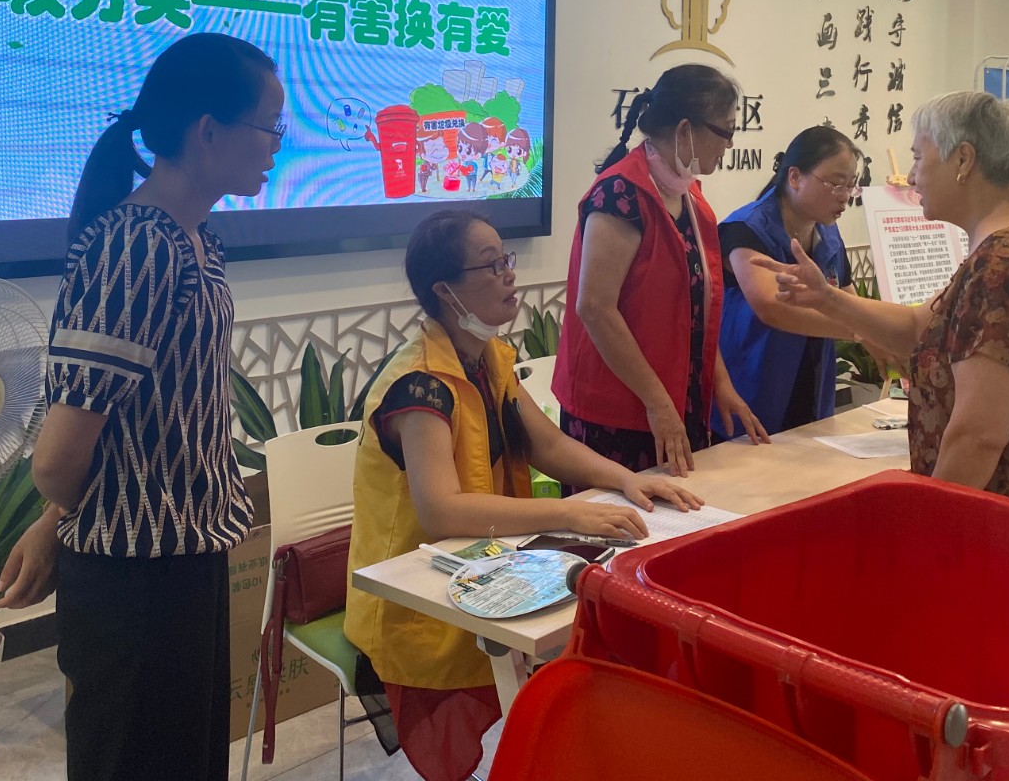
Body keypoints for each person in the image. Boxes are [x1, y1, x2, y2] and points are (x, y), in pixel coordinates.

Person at [0, 33, 284, 781]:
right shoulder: (138, 246)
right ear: (208, 131)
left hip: (185, 558)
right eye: (270, 127)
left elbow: (123, 428)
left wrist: (57, 520)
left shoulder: (196, 240)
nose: (277, 146)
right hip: (137, 583)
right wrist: (64, 518)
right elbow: (59, 458)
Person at [346, 210, 701, 781]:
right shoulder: (420, 385)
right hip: (419, 597)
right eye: (490, 266)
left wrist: (624, 479)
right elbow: (442, 512)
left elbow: (547, 445)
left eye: (505, 259)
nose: (509, 274)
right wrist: (571, 511)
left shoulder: (487, 358)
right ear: (445, 291)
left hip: (490, 563)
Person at [773, 91, 1009, 514]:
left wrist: (929, 521)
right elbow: (918, 328)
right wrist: (826, 298)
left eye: (918, 158)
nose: (912, 177)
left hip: (1001, 522)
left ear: (963, 160)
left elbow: (978, 434)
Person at [553, 64, 768, 476]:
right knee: (630, 514)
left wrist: (721, 384)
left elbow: (696, 310)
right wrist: (657, 402)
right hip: (620, 411)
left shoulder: (690, 195)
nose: (729, 143)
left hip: (673, 401)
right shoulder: (619, 194)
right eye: (725, 131)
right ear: (685, 130)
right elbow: (595, 308)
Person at [718, 127, 859, 435]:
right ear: (794, 177)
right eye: (836, 183)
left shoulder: (828, 232)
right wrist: (863, 330)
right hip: (750, 393)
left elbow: (851, 299)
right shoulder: (745, 228)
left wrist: (879, 336)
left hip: (811, 391)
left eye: (851, 185)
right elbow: (773, 309)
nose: (845, 196)